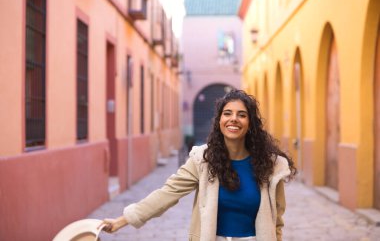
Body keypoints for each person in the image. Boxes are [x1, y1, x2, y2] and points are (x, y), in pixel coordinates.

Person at [100, 89, 297, 241]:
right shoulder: (203, 160)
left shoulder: (269, 165)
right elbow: (167, 194)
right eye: (227, 113)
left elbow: (276, 219)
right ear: (219, 120)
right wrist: (122, 220)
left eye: (242, 115)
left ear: (251, 123)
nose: (233, 119)